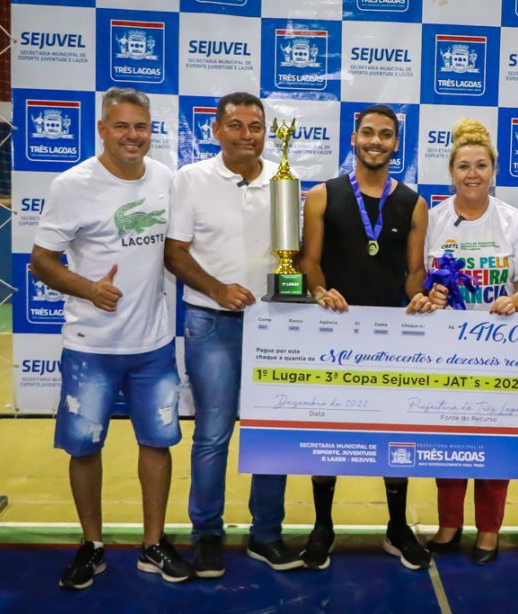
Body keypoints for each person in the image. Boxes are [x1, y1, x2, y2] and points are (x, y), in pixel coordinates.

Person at [31, 87, 194, 589]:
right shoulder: (72, 184)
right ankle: (92, 545)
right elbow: (41, 261)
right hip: (90, 346)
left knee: (157, 443)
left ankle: (152, 545)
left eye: (140, 127)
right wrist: (90, 289)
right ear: (102, 129)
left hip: (153, 344)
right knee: (84, 448)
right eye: (121, 126)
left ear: (150, 131)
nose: (132, 136)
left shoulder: (166, 179)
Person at [164, 92, 302, 577]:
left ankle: (267, 535)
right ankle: (206, 536)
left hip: (274, 326)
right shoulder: (191, 179)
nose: (248, 135)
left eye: (256, 126)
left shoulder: (284, 181)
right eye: (237, 125)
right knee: (213, 434)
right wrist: (218, 290)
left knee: (271, 433)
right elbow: (175, 253)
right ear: (217, 131)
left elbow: (296, 256)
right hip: (210, 321)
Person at [405, 119, 518, 565]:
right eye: (463, 166)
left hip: (497, 351)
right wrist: (429, 295)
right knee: (446, 440)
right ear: (451, 172)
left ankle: (488, 531)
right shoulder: (435, 218)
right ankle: (449, 524)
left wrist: (513, 300)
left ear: (493, 170)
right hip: (445, 349)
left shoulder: (513, 222)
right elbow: (418, 280)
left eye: (481, 165)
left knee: (494, 443)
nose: (472, 174)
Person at [299, 104, 432, 571]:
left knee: (395, 433)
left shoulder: (414, 203)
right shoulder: (321, 196)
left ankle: (397, 528)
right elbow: (308, 261)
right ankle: (322, 526)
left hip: (390, 337)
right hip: (332, 334)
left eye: (386, 135)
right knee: (328, 431)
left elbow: (415, 273)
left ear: (397, 145)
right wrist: (319, 291)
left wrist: (421, 299)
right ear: (354, 138)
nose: (376, 141)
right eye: (368, 133)